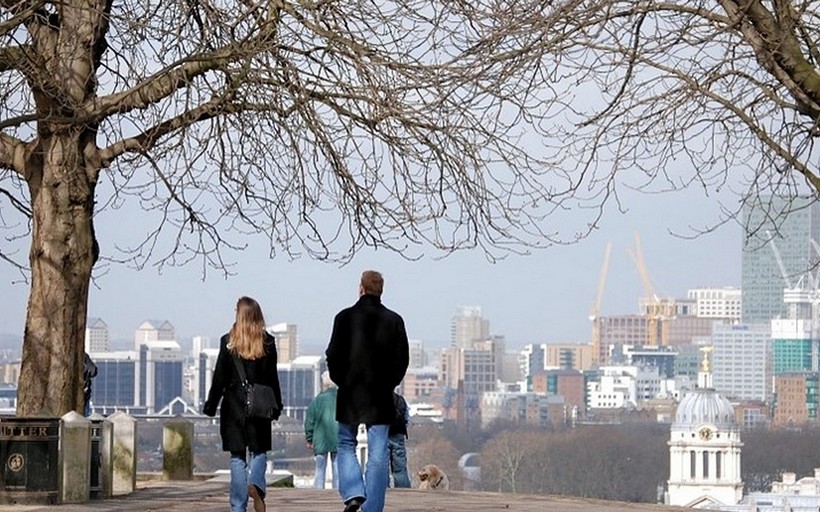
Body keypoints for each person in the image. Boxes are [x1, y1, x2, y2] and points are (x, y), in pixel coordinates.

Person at [325, 270, 410, 512]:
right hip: (381, 395)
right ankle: (372, 508)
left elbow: (332, 355)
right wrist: (389, 383)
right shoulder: (394, 320)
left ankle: (353, 492)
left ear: (360, 288)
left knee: (345, 443)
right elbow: (402, 359)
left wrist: (341, 380)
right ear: (380, 291)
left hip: (351, 392)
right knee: (378, 452)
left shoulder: (344, 318)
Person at [204, 296, 283, 512]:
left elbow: (219, 377)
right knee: (259, 452)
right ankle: (256, 483)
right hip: (260, 407)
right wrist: (277, 406)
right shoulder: (267, 342)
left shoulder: (227, 342)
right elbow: (272, 378)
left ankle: (238, 507)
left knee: (238, 457)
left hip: (233, 408)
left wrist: (211, 404)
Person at [304, 371, 339, 489]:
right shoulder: (342, 399)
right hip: (338, 438)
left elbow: (309, 421)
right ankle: (338, 495)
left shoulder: (317, 400)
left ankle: (318, 494)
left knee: (319, 470)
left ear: (324, 384)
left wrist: (309, 439)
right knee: (337, 469)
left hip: (320, 439)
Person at [388, 392, 411, 488]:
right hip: (398, 435)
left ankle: (382, 489)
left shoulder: (377, 399)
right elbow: (406, 419)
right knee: (400, 468)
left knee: (381, 467)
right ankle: (404, 491)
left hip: (383, 435)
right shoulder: (400, 399)